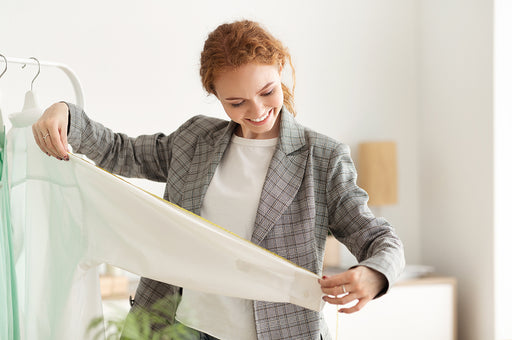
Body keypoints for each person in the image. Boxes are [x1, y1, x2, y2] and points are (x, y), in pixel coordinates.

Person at [32, 20, 405, 340]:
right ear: (216, 97)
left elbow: (379, 239)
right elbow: (120, 151)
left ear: (280, 70)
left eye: (267, 91)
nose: (257, 111)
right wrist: (66, 113)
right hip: (178, 326)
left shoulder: (321, 158)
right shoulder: (196, 139)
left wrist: (375, 274)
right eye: (236, 102)